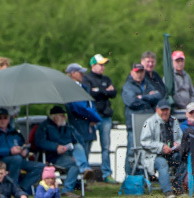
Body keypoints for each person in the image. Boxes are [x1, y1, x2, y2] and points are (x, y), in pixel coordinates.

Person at [34, 106, 94, 198]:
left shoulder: (68, 126)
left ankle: (83, 169)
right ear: (55, 117)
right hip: (54, 157)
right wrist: (55, 147)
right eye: (62, 116)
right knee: (76, 163)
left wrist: (77, 155)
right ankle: (69, 187)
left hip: (70, 154)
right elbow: (39, 142)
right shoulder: (45, 126)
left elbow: (79, 140)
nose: (65, 118)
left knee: (78, 147)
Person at [0, 108, 43, 190]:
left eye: (5, 118)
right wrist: (10, 151)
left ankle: (22, 188)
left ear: (9, 119)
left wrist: (25, 152)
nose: (2, 120)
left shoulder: (15, 133)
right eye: (0, 118)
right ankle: (12, 187)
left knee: (41, 167)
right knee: (16, 159)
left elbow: (24, 146)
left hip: (19, 160)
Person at [83, 54, 118, 183]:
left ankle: (106, 173)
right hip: (92, 117)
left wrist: (99, 91)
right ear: (93, 65)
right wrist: (105, 91)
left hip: (105, 117)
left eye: (104, 65)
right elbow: (89, 93)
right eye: (100, 65)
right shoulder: (86, 78)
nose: (103, 67)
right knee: (88, 145)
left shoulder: (106, 78)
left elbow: (113, 93)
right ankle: (85, 172)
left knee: (106, 146)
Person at [122, 63, 162, 172]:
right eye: (136, 72)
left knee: (147, 150)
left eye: (141, 72)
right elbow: (132, 102)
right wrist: (149, 100)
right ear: (132, 73)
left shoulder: (147, 84)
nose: (139, 74)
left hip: (148, 125)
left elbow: (158, 96)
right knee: (132, 151)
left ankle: (143, 178)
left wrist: (143, 97)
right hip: (133, 125)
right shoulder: (127, 86)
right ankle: (129, 177)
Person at [139, 99, 182, 198]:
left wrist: (178, 144)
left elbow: (180, 137)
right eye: (162, 110)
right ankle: (168, 191)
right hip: (154, 156)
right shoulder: (149, 122)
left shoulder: (174, 121)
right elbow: (144, 141)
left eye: (167, 110)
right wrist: (161, 147)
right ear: (157, 110)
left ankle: (178, 187)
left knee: (183, 159)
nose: (165, 112)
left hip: (172, 153)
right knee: (163, 163)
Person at [65, 63, 103, 160]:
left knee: (86, 153)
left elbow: (90, 104)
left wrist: (94, 118)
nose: (83, 75)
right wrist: (96, 118)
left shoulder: (83, 87)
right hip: (79, 126)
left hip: (88, 126)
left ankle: (84, 173)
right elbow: (80, 107)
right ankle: (81, 174)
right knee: (81, 154)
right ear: (73, 73)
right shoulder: (70, 88)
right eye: (80, 72)